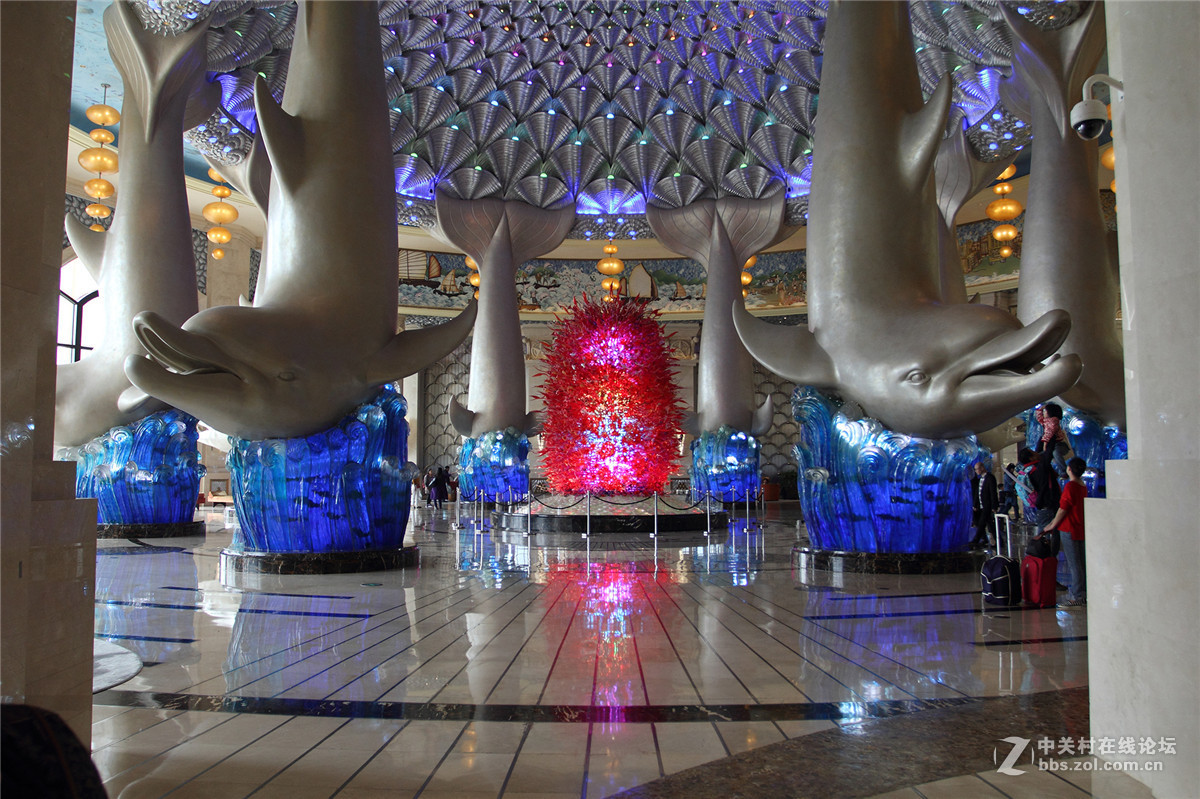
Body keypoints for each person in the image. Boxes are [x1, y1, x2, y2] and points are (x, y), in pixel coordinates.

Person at [1042, 456, 1088, 608]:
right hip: (1080, 528)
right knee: (1081, 563)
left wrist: (1052, 525)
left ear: (1069, 469)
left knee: (1074, 564)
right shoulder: (1083, 485)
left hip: (1069, 528)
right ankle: (1083, 594)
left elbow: (1063, 509)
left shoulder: (1070, 486)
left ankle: (1077, 597)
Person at [1036, 402, 1070, 477]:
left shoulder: (1053, 421)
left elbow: (1049, 432)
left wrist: (1045, 443)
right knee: (1042, 456)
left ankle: (1064, 471)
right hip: (1051, 444)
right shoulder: (1046, 421)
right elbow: (1039, 418)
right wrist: (1040, 409)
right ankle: (1052, 473)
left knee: (1056, 453)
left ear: (1050, 412)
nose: (1044, 413)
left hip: (1059, 444)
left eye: (1045, 411)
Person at [970, 461, 999, 548]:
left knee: (982, 523)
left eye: (977, 469)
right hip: (982, 505)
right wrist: (975, 504)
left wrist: (994, 506)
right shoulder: (981, 479)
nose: (976, 471)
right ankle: (999, 541)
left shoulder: (990, 478)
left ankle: (976, 539)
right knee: (990, 524)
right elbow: (978, 493)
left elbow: (993, 492)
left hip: (987, 505)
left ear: (982, 468)